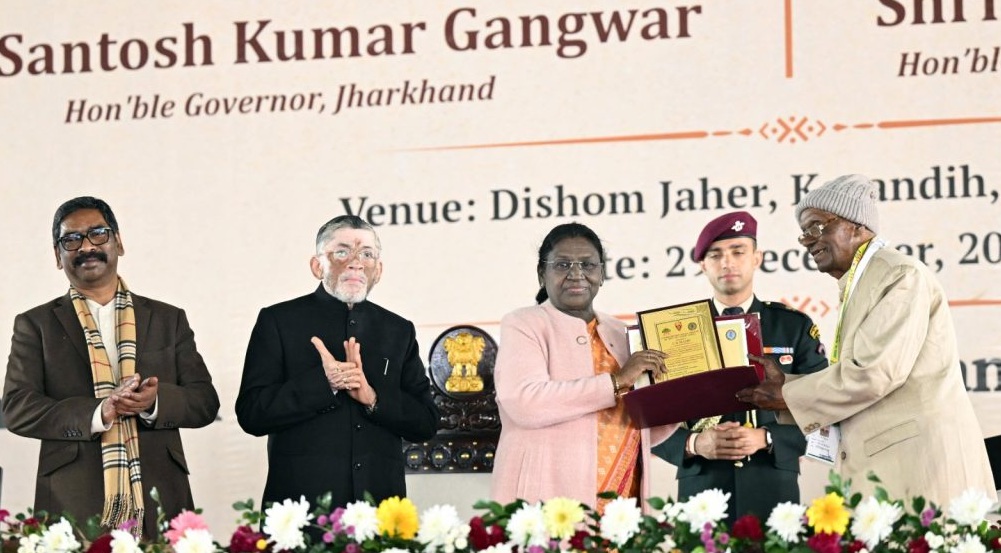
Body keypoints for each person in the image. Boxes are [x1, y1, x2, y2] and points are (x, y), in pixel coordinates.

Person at [737, 174, 996, 503]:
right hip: (894, 469)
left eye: (817, 226)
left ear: (857, 226)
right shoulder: (864, 281)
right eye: (804, 232)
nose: (807, 241)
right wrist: (787, 384)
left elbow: (874, 374)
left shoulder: (898, 275)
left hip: (920, 470)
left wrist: (788, 394)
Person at [2, 196, 220, 537]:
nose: (87, 246)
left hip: (160, 494)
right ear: (58, 256)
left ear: (118, 242)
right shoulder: (36, 324)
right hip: (73, 497)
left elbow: (204, 402)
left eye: (98, 234)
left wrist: (154, 402)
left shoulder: (167, 318)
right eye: (71, 239)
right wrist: (98, 412)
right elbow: (16, 408)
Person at [235, 215, 439, 510]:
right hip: (300, 510)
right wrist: (324, 384)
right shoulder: (278, 321)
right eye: (342, 252)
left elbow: (426, 422)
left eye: (367, 254)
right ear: (317, 266)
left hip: (379, 510)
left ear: (378, 270)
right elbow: (251, 414)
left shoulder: (398, 330)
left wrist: (373, 398)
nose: (356, 263)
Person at [651, 211, 828, 524]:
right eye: (715, 255)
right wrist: (693, 443)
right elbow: (650, 418)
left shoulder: (792, 327)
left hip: (773, 490)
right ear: (702, 264)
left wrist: (768, 438)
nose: (727, 263)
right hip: (701, 492)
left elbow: (827, 408)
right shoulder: (677, 331)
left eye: (738, 251)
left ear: (757, 258)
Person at [490, 222, 676, 510]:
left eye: (587, 265)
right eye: (562, 264)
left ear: (601, 274)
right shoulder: (523, 324)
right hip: (548, 501)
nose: (576, 274)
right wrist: (616, 381)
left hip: (621, 498)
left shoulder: (621, 332)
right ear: (541, 274)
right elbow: (525, 402)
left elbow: (640, 428)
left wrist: (678, 401)